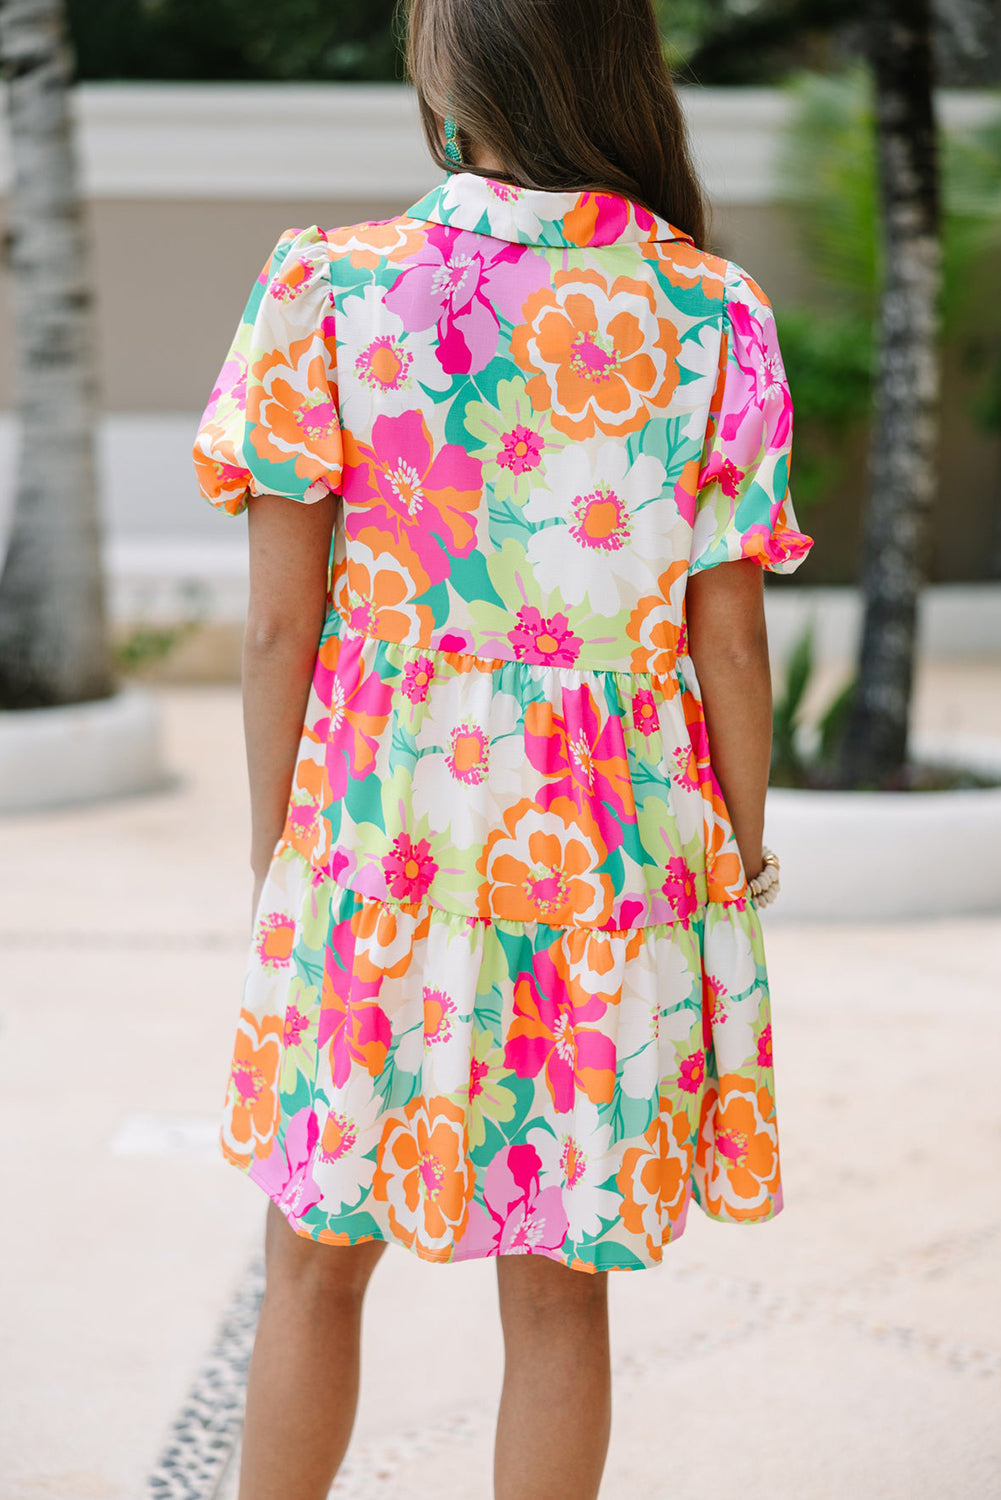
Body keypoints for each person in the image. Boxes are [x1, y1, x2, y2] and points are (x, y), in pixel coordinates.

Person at [192, 1, 814, 1495]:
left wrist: (284, 856)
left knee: (310, 1258)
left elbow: (279, 632)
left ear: (446, 73)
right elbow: (729, 645)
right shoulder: (709, 310)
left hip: (374, 832)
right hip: (607, 856)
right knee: (556, 1285)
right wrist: (734, 854)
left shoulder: (326, 289)